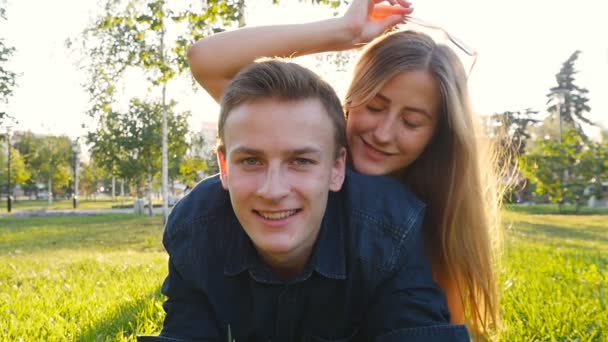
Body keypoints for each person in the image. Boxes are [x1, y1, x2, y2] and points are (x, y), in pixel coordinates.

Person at [187, 0, 503, 335]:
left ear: (438, 135)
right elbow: (205, 60)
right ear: (351, 98)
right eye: (374, 106)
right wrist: (344, 31)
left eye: (411, 122)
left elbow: (438, 322)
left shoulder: (432, 214)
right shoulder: (307, 130)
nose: (382, 133)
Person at [149, 59, 470, 341]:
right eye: (251, 161)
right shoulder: (195, 229)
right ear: (224, 166)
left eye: (301, 161)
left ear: (336, 168)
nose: (273, 191)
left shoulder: (388, 229)